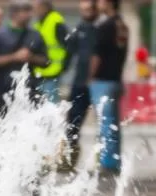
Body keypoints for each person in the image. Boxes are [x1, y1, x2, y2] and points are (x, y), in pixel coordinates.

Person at [0, 0, 49, 120]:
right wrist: (15, 57)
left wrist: (31, 58)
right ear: (14, 14)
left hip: (28, 88)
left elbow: (46, 61)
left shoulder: (35, 35)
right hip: (3, 89)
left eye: (29, 11)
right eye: (24, 12)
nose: (29, 15)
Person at [89, 0, 128, 175]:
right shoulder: (122, 25)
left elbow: (97, 54)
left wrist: (90, 77)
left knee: (105, 124)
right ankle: (114, 160)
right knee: (113, 124)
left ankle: (108, 163)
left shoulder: (105, 26)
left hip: (102, 80)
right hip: (115, 79)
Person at [62, 0, 98, 171]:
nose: (86, 12)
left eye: (89, 9)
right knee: (72, 121)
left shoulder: (101, 29)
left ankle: (102, 159)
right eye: (83, 10)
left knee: (103, 123)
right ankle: (69, 157)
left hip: (98, 82)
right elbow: (68, 55)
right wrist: (60, 70)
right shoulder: (78, 30)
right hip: (79, 82)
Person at [32, 0, 69, 104]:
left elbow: (68, 45)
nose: (35, 10)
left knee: (50, 103)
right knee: (40, 103)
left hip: (53, 69)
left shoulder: (55, 21)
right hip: (40, 70)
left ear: (45, 7)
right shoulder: (39, 23)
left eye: (37, 7)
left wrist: (65, 65)